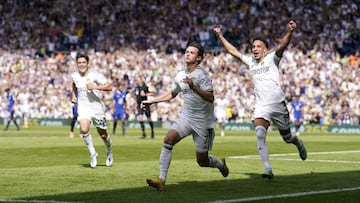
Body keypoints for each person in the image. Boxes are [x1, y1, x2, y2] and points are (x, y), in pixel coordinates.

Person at [214, 20, 307, 179]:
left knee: (287, 138)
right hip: (261, 105)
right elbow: (233, 51)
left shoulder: (272, 58)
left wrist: (290, 31)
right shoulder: (250, 62)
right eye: (253, 46)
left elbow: (282, 46)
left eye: (258, 46)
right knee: (259, 133)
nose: (255, 49)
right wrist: (220, 36)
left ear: (265, 49)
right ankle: (267, 168)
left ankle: (297, 143)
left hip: (278, 104)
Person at [143, 42, 228, 191]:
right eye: (187, 51)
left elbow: (210, 97)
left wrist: (193, 86)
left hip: (203, 123)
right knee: (168, 140)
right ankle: (161, 180)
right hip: (186, 118)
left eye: (192, 52)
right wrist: (152, 101)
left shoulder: (202, 75)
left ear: (199, 58)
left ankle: (220, 164)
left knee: (201, 161)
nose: (187, 54)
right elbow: (172, 93)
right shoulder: (180, 75)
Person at [71, 52, 113, 168]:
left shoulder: (95, 75)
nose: (81, 64)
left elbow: (109, 86)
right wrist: (74, 96)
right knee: (84, 130)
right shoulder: (74, 75)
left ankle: (109, 151)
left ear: (88, 64)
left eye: (83, 62)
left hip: (96, 108)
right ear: (76, 64)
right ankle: (93, 153)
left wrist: (95, 87)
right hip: (83, 107)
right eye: (79, 62)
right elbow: (74, 85)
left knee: (103, 135)